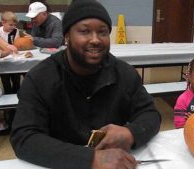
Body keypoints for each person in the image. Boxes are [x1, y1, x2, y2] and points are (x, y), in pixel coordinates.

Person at [10, 0, 161, 169]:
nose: (95, 40)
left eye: (103, 32)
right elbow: (24, 137)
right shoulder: (40, 78)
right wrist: (90, 158)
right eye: (84, 31)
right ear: (67, 36)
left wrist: (131, 132)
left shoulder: (124, 74)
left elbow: (150, 114)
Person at [0, 11, 21, 94]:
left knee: (16, 76)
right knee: (5, 78)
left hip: (13, 58)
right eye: (11, 25)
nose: (13, 27)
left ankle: (17, 92)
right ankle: (8, 93)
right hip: (3, 58)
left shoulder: (15, 31)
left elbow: (17, 43)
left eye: (14, 25)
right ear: (3, 22)